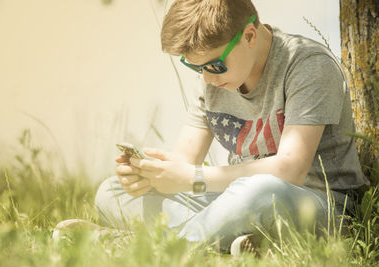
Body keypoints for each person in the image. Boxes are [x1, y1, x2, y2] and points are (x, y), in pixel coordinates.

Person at [94, 0, 370, 255]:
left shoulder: (309, 64)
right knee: (111, 191)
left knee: (258, 192)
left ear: (249, 36)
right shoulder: (215, 78)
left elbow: (290, 170)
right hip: (234, 198)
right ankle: (227, 242)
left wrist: (194, 178)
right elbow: (185, 162)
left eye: (213, 65)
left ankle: (151, 248)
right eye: (195, 67)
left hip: (315, 204)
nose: (206, 78)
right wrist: (151, 175)